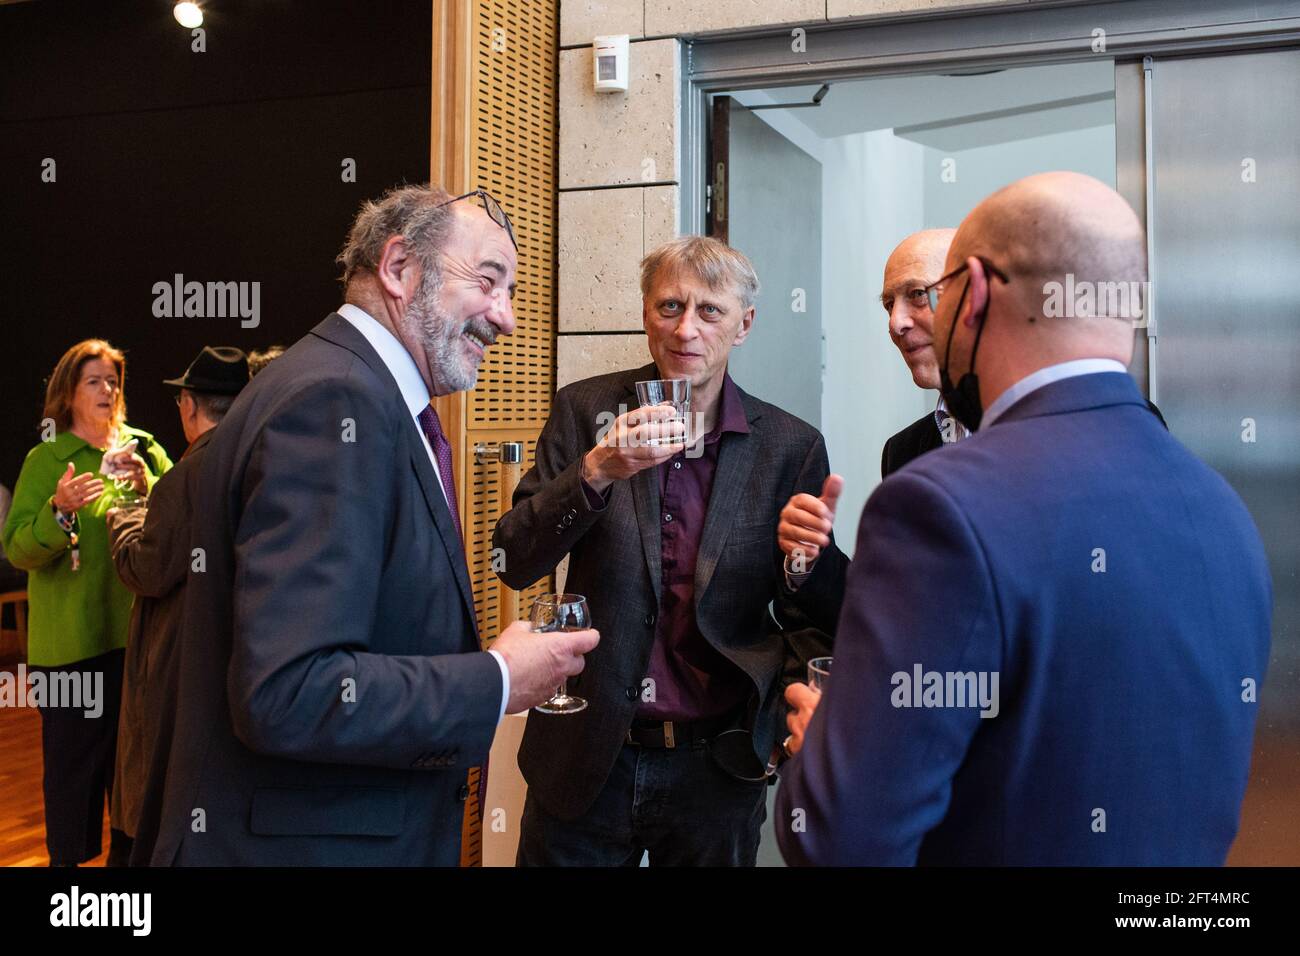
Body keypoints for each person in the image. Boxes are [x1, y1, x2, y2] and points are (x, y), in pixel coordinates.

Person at [775, 172, 1272, 865]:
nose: (900, 323)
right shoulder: (1222, 509)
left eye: (928, 296)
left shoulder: (936, 505)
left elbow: (838, 841)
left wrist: (829, 750)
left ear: (972, 294)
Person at [140, 184, 598, 866]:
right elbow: (289, 692)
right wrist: (497, 679)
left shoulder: (347, 386)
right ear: (397, 268)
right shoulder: (335, 400)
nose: (505, 319)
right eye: (488, 281)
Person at [494, 235, 847, 866]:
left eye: (710, 311)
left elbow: (809, 620)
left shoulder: (789, 446)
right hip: (586, 755)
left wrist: (804, 566)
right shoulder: (586, 410)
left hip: (716, 765)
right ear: (645, 313)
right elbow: (515, 559)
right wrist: (597, 470)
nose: (686, 329)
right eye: (669, 307)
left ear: (745, 325)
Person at [1, 339, 172, 866]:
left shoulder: (141, 448)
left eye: (114, 380)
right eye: (94, 381)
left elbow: (185, 511)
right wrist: (57, 513)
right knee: (71, 780)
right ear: (68, 394)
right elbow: (17, 548)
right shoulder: (46, 459)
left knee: (134, 776)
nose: (108, 389)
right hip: (69, 650)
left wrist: (151, 486)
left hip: (136, 643)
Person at [104, 346, 249, 866]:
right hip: (229, 666)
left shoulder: (190, 473)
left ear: (189, 404)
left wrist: (125, 512)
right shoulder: (253, 457)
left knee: (155, 801)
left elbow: (145, 568)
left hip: (176, 662)